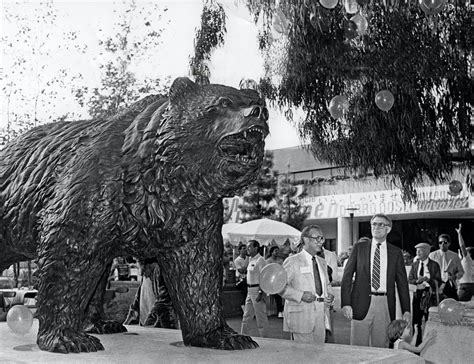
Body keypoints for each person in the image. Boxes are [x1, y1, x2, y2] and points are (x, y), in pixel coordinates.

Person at [341, 213, 411, 348]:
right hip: (360, 303)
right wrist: (346, 303)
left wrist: (406, 310)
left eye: (381, 224)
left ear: (388, 229)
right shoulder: (359, 248)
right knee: (357, 347)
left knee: (381, 347)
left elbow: (402, 283)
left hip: (384, 304)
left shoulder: (395, 252)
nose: (376, 227)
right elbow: (347, 277)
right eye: (374, 224)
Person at [280, 225, 334, 344]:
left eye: (322, 238)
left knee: (319, 355)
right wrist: (300, 295)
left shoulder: (322, 262)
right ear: (306, 239)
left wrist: (330, 295)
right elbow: (281, 287)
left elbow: (327, 284)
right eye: (317, 238)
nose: (321, 242)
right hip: (301, 317)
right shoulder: (292, 261)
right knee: (302, 357)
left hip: (321, 316)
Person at [123, 258, 178, 329]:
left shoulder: (159, 271)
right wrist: (126, 323)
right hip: (145, 323)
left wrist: (148, 323)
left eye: (144, 270)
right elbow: (137, 300)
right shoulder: (145, 274)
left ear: (149, 265)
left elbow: (163, 301)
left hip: (160, 326)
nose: (142, 274)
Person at [408, 242, 442, 346]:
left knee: (429, 319)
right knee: (416, 320)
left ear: (427, 252)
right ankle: (416, 344)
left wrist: (428, 280)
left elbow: (438, 281)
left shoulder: (434, 265)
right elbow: (409, 280)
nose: (417, 252)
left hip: (429, 295)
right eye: (417, 250)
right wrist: (417, 282)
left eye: (420, 250)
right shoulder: (415, 265)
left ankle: (430, 344)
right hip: (417, 294)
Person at [240, 239, 268, 337]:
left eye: (250, 247)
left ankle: (264, 338)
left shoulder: (261, 260)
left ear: (256, 248)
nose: (247, 249)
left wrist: (261, 292)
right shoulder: (251, 259)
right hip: (249, 290)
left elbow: (263, 276)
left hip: (257, 290)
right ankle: (243, 336)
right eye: (247, 247)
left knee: (260, 316)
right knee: (247, 315)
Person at [429, 232, 464, 300]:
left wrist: (455, 276)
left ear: (449, 243)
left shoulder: (454, 256)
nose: (442, 244)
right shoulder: (432, 255)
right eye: (440, 242)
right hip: (437, 286)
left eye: (444, 242)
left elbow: (461, 271)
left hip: (450, 285)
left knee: (453, 306)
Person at [456, 223, 474, 301]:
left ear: (469, 253)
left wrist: (459, 234)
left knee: (460, 306)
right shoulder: (469, 261)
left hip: (465, 287)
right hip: (472, 285)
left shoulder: (467, 259)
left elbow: (462, 245)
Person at [266, 246, 284, 318]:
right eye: (275, 251)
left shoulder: (280, 260)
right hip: (270, 280)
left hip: (279, 279)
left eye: (278, 251)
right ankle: (279, 310)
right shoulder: (268, 261)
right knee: (277, 293)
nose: (277, 252)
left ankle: (281, 310)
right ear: (272, 252)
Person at [234, 244, 249, 310]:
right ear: (239, 250)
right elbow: (241, 271)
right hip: (240, 280)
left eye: (246, 248)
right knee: (245, 287)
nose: (245, 250)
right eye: (243, 248)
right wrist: (246, 268)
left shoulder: (249, 258)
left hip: (248, 278)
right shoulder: (237, 260)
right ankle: (243, 304)